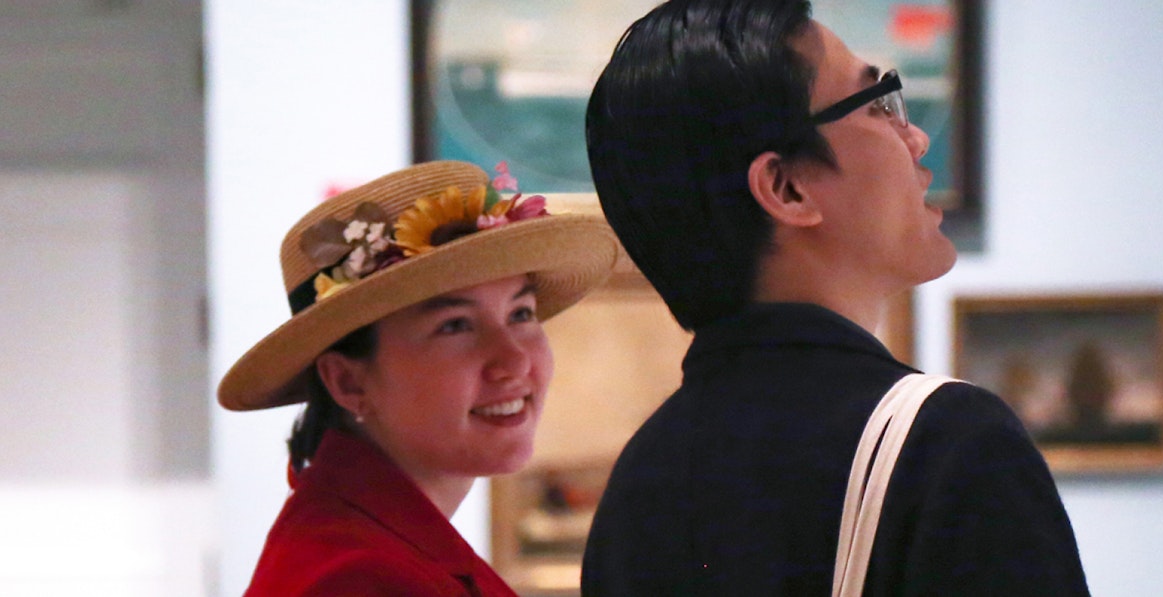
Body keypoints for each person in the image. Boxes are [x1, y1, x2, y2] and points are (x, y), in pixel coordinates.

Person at [580, 1, 1090, 594]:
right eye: (880, 105)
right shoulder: (948, 444)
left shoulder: (638, 482)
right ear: (787, 188)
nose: (917, 138)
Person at [217, 161, 620, 595]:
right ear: (348, 383)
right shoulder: (363, 578)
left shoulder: (368, 537)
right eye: (455, 325)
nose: (515, 362)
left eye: (520, 313)